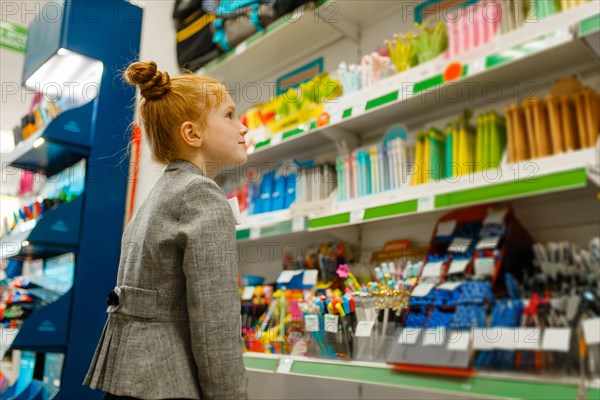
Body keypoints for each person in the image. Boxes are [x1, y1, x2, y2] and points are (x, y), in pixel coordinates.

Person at [84, 61, 249, 400]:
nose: (242, 127)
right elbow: (214, 322)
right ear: (193, 134)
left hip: (128, 377)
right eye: (230, 115)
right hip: (167, 380)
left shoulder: (158, 196)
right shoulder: (200, 195)